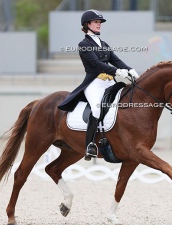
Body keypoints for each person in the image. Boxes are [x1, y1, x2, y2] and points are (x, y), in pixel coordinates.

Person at [58, 9, 139, 160]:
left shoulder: (104, 44)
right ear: (87, 24)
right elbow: (96, 64)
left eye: (99, 22)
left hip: (108, 82)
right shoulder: (84, 44)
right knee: (96, 109)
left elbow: (116, 60)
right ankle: (90, 145)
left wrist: (130, 70)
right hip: (94, 83)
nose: (99, 24)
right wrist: (116, 72)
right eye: (96, 22)